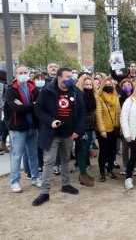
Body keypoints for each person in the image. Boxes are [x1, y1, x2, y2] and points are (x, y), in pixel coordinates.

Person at [33, 67, 86, 206]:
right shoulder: (47, 91)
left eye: (71, 76)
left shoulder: (76, 91)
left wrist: (78, 130)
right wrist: (50, 121)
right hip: (52, 134)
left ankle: (66, 184)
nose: (71, 79)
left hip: (69, 134)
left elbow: (82, 113)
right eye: (68, 77)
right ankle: (44, 192)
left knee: (66, 159)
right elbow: (38, 108)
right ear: (59, 78)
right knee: (49, 161)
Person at [5, 66, 41, 193]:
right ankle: (15, 182)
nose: (24, 74)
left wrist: (26, 106)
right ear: (15, 75)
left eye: (26, 72)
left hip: (33, 127)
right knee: (16, 156)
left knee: (33, 155)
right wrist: (32, 105)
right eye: (21, 73)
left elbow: (39, 106)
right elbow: (17, 109)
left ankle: (35, 177)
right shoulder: (10, 90)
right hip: (18, 129)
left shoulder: (33, 89)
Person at [95, 78, 121, 182]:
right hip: (103, 130)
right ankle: (102, 172)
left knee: (112, 151)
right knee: (103, 151)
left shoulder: (115, 97)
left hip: (113, 128)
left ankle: (110, 170)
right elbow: (98, 115)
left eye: (110, 84)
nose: (109, 85)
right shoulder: (99, 97)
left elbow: (119, 112)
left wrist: (120, 126)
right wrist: (102, 130)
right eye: (106, 84)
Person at [75, 75, 97, 187]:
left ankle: (83, 173)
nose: (88, 86)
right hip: (81, 128)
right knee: (82, 151)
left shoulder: (92, 95)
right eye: (86, 84)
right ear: (81, 85)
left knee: (86, 151)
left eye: (90, 84)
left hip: (89, 127)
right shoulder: (79, 96)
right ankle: (82, 175)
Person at [33, 73, 46, 172]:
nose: (40, 80)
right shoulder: (32, 91)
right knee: (38, 145)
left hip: (45, 120)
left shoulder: (46, 91)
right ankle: (40, 164)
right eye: (38, 79)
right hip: (35, 121)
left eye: (42, 79)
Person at [0, 70, 9, 154]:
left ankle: (2, 144)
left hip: (3, 110)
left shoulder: (3, 84)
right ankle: (2, 144)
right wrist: (4, 108)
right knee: (3, 127)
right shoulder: (1, 84)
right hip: (2, 110)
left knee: (4, 127)